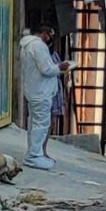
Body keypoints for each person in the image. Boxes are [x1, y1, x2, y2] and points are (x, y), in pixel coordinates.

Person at [18, 23, 71, 170]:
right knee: (41, 125)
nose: (50, 39)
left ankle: (34, 153)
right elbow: (47, 69)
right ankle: (34, 155)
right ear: (45, 34)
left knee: (34, 124)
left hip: (34, 91)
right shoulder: (39, 46)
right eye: (50, 35)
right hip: (41, 93)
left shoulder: (27, 46)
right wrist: (61, 67)